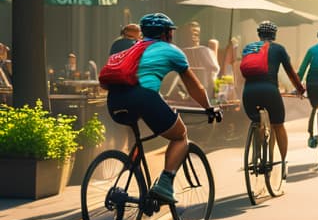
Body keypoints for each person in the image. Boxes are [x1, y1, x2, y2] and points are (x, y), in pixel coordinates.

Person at [103, 13, 216, 203]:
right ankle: (165, 184)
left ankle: (130, 190)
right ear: (166, 34)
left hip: (114, 102)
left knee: (138, 138)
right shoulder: (171, 50)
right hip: (143, 98)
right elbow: (195, 87)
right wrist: (209, 107)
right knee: (180, 135)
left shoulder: (131, 48)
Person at [240, 21, 305, 181]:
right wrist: (300, 89)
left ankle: (256, 156)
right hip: (270, 91)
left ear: (259, 35)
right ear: (274, 35)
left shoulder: (248, 49)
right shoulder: (279, 49)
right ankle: (283, 163)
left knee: (256, 121)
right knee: (278, 125)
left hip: (248, 93)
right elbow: (290, 72)